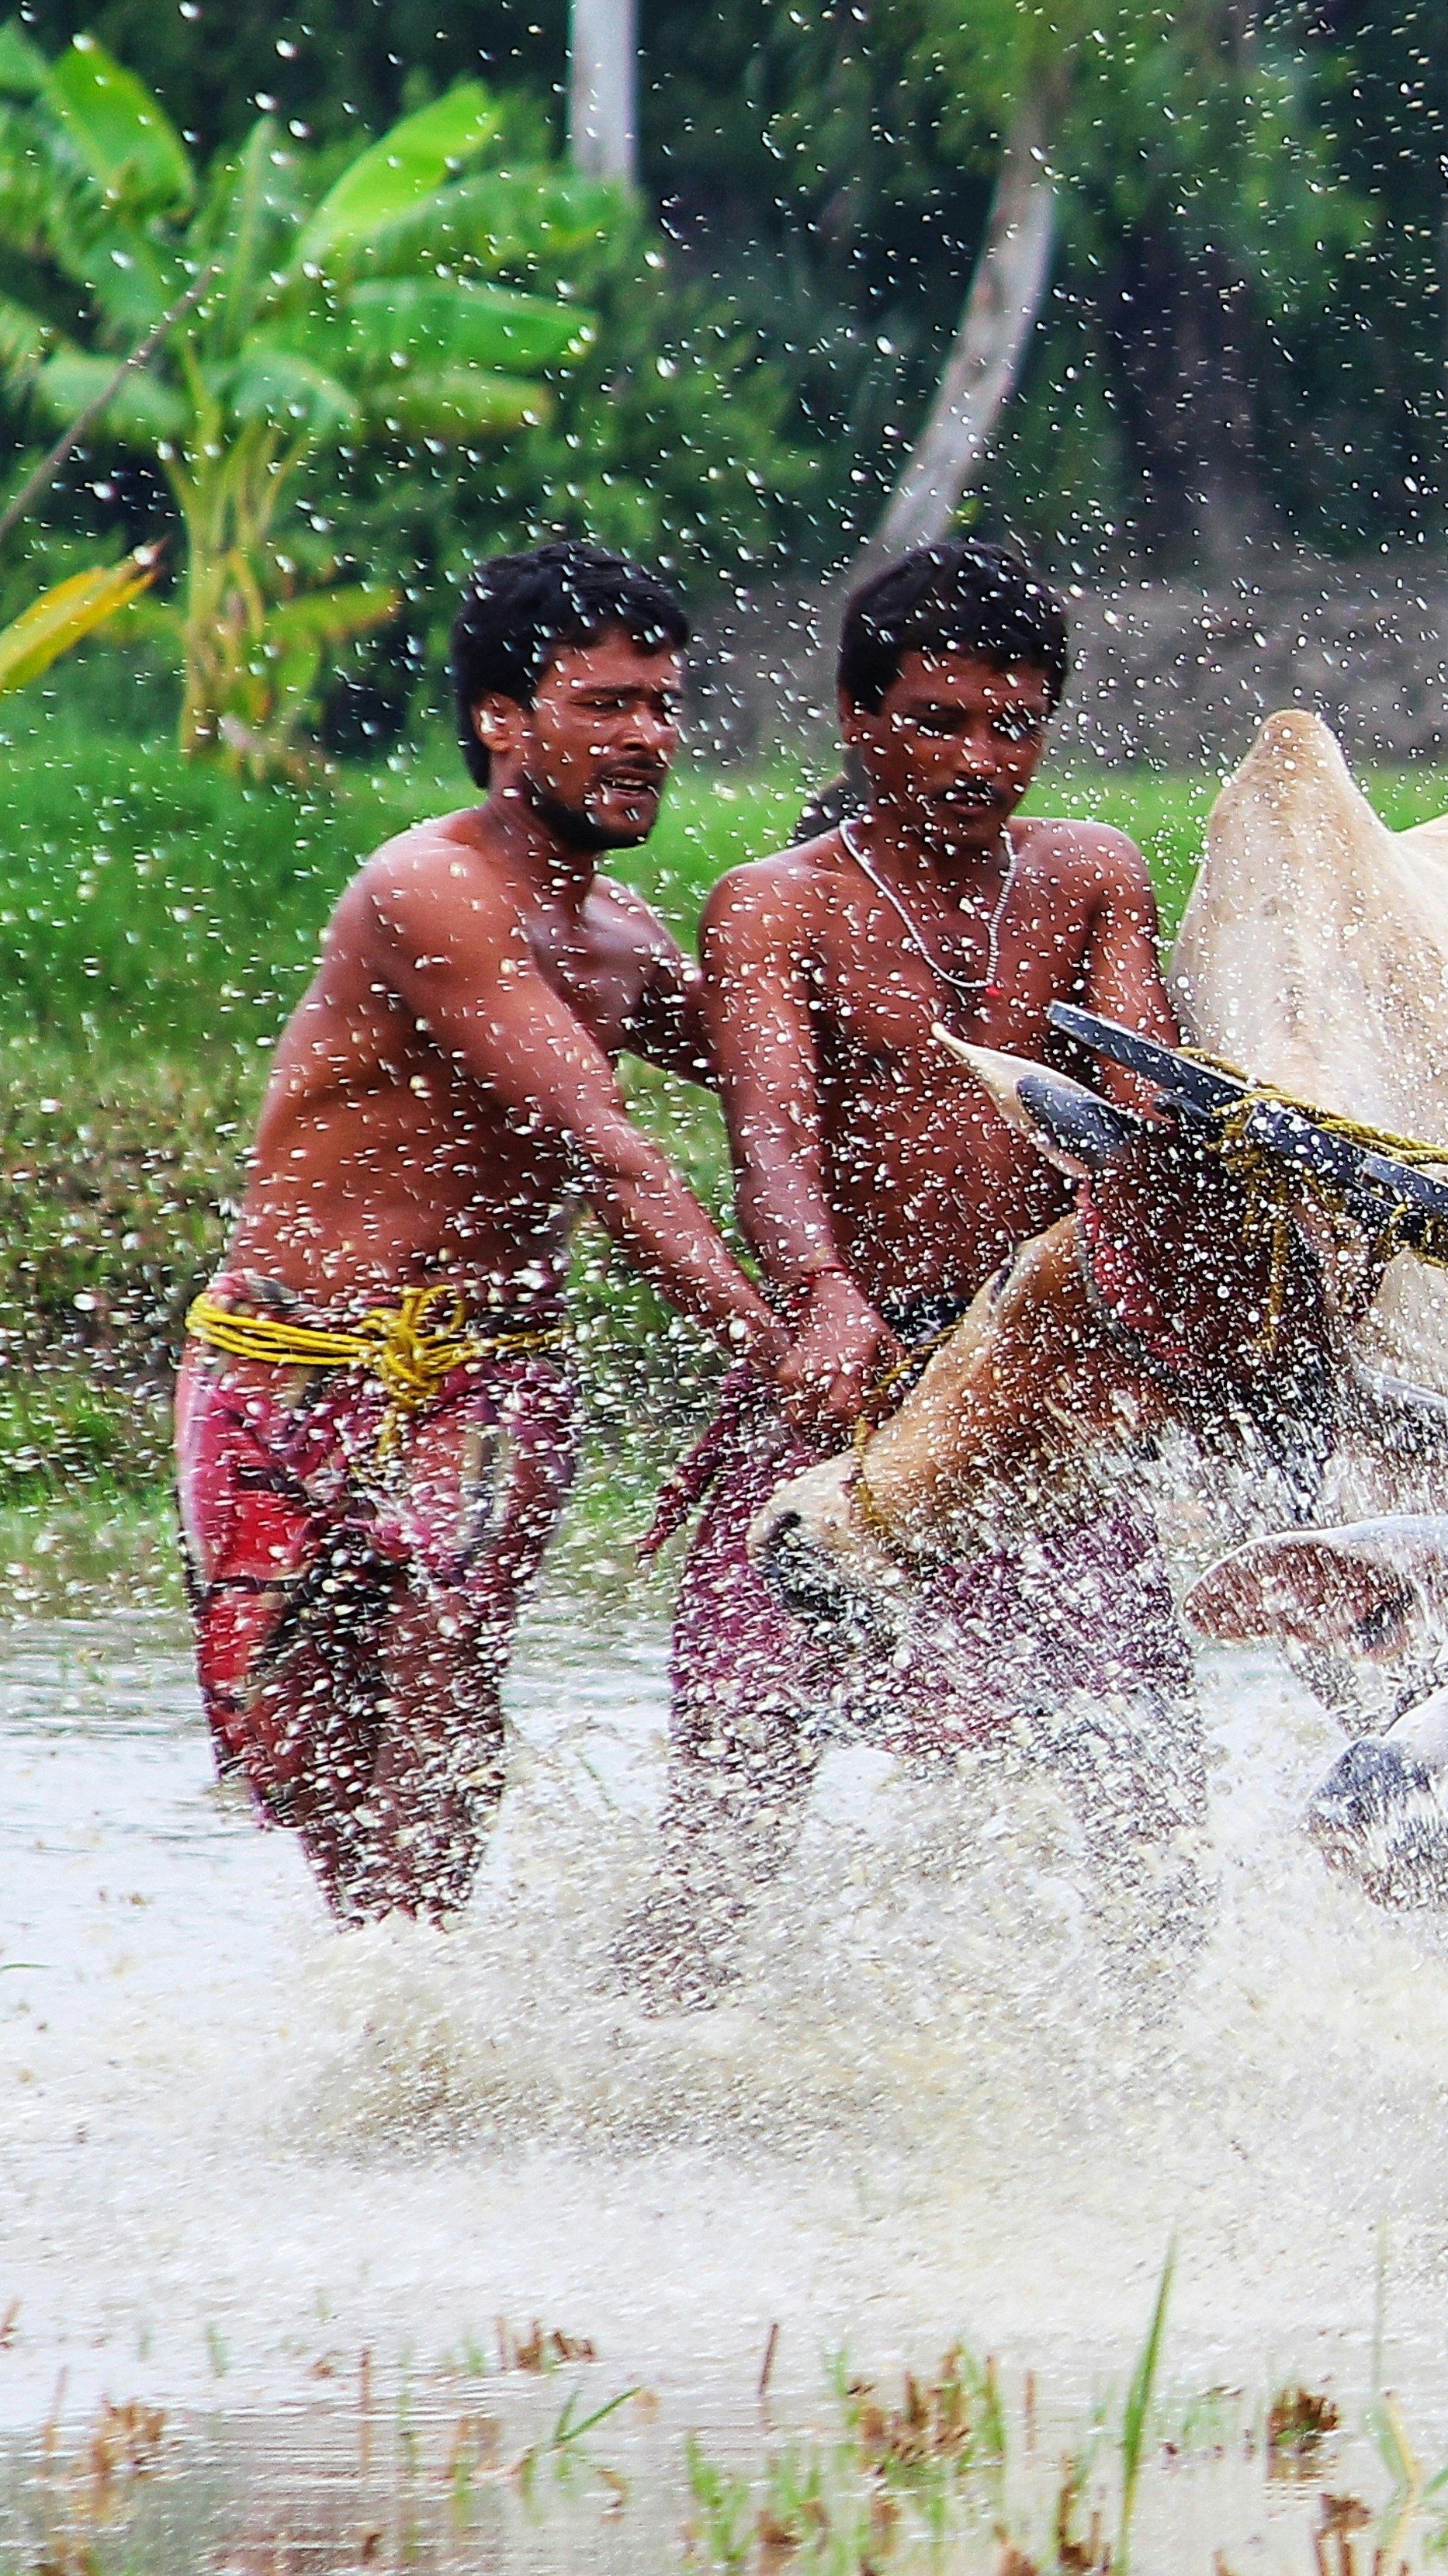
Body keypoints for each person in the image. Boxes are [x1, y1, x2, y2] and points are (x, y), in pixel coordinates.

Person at [609, 540, 1200, 2009]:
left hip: (1035, 1382)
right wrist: (820, 1292)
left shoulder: (1089, 874)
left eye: (1015, 726)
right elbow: (771, 1138)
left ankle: (1155, 2049)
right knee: (740, 1780)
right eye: (942, 721)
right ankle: (642, 2053)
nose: (979, 761)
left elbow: (1137, 1105)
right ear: (861, 719)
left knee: (1141, 1777)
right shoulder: (777, 903)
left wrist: (1164, 1240)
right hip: (851, 1376)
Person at [179, 541, 789, 1926]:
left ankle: (430, 2006)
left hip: (491, 1367)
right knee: (292, 1742)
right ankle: (387, 1983)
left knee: (444, 1668)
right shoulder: (427, 889)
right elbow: (615, 1153)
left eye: (663, 705)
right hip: (286, 1360)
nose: (648, 737)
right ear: (504, 723)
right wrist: (771, 1342)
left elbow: (790, 1085)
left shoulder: (627, 942)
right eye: (607, 703)